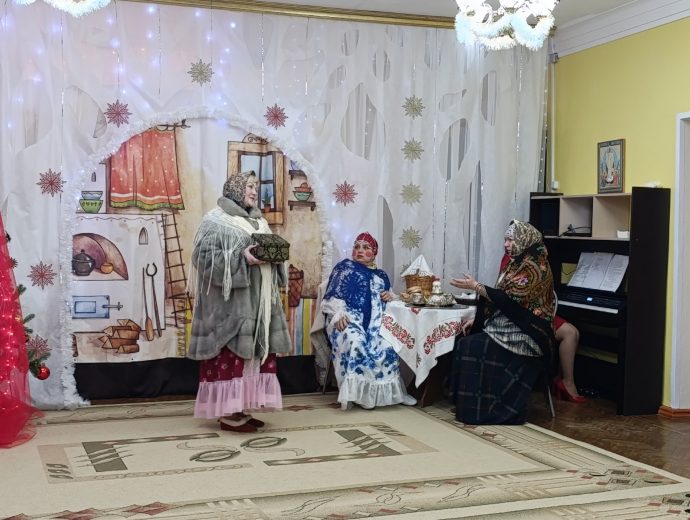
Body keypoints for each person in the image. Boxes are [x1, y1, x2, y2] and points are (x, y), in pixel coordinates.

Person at [187, 170, 291, 433]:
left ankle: (241, 408)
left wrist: (274, 257)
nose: (255, 192)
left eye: (256, 187)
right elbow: (202, 257)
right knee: (231, 357)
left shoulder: (259, 222)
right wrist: (241, 257)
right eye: (249, 187)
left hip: (259, 304)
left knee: (252, 357)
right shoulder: (216, 220)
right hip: (230, 306)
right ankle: (228, 413)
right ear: (235, 189)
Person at [449, 220, 555, 425]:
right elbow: (502, 301)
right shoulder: (516, 263)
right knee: (463, 342)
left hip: (528, 333)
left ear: (524, 240)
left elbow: (509, 300)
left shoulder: (535, 266)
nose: (506, 244)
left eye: (510, 240)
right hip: (510, 325)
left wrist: (477, 287)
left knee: (471, 346)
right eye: (505, 239)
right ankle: (470, 406)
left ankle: (489, 409)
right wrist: (477, 319)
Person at [320, 232, 416, 410]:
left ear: (374, 253)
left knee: (388, 344)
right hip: (348, 318)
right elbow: (332, 296)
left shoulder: (381, 275)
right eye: (357, 247)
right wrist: (338, 315)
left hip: (375, 322)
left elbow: (390, 300)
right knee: (356, 341)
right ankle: (358, 396)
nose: (360, 250)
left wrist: (390, 296)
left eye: (366, 247)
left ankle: (394, 394)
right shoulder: (345, 267)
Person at [499, 254, 585, 403]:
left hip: (537, 312)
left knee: (574, 332)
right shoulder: (511, 258)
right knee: (570, 333)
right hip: (524, 315)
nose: (507, 244)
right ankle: (567, 383)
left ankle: (563, 380)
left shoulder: (537, 256)